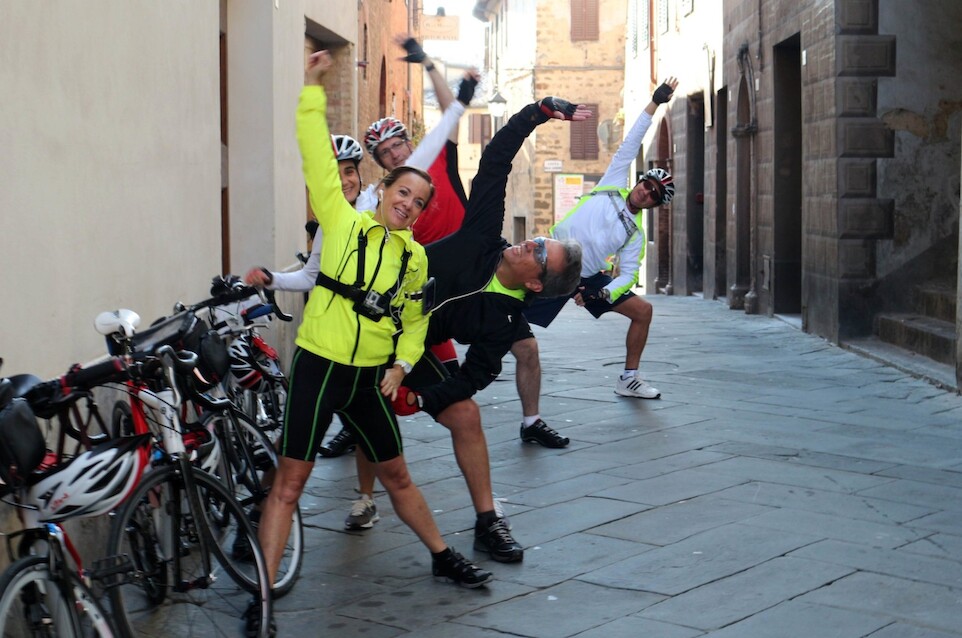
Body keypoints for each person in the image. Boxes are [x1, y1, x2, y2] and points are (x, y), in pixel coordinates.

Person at [242, 49, 491, 637]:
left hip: (368, 377)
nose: (408, 205)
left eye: (418, 203)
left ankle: (441, 555)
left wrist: (403, 366)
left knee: (398, 476)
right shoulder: (342, 219)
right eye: (402, 193)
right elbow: (314, 154)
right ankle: (263, 598)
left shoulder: (413, 256)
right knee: (291, 483)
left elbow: (412, 320)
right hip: (320, 366)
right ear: (383, 189)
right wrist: (310, 88)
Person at [349, 96, 587, 565]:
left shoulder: (504, 322)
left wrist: (426, 400)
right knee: (357, 414)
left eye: (539, 251)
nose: (531, 241)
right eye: (540, 238)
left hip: (410, 347)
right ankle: (346, 497)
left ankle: (487, 522)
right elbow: (496, 158)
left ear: (537, 282)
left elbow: (474, 376)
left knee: (466, 415)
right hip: (364, 323)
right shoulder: (482, 236)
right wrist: (538, 112)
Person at [320, 35, 478, 462]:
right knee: (413, 355)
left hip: (465, 265)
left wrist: (427, 62)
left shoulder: (436, 155)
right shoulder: (382, 195)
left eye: (398, 145)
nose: (394, 154)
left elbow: (451, 113)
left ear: (410, 143)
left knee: (512, 341)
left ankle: (523, 418)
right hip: (420, 279)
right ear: (381, 162)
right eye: (385, 152)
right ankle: (361, 425)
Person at [509, 78, 679, 449]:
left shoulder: (634, 233)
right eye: (647, 184)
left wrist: (602, 290)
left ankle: (629, 378)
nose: (645, 192)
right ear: (640, 179)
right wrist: (654, 104)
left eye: (652, 195)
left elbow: (629, 274)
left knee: (643, 311)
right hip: (553, 259)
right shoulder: (612, 182)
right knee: (505, 311)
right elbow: (632, 140)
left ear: (654, 205)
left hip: (585, 277)